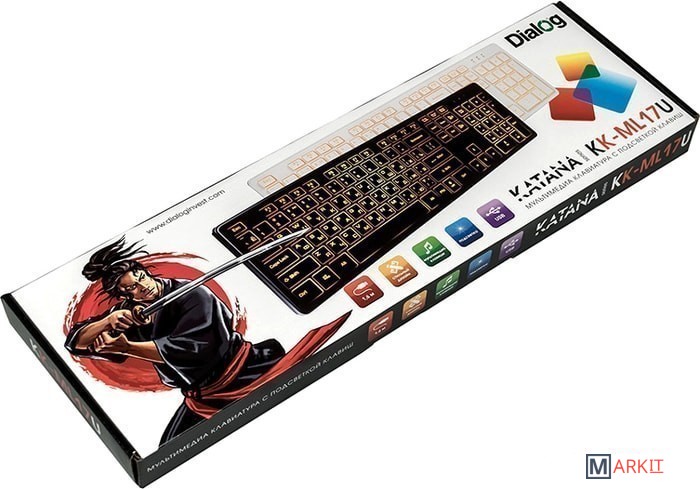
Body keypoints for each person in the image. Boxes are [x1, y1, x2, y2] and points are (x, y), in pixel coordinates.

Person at [65, 237, 348, 445]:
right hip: (200, 394)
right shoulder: (129, 311)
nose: (143, 287)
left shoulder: (193, 296)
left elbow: (192, 350)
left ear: (144, 270)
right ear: (125, 295)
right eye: (132, 289)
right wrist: (108, 321)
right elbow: (76, 343)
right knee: (170, 445)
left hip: (241, 372)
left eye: (140, 277)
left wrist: (126, 347)